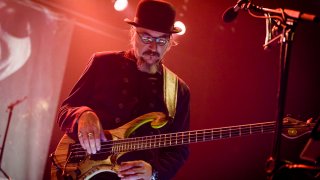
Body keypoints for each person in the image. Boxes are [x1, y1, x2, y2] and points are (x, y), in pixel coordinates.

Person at [57, 0, 190, 179]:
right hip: (82, 169)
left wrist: (154, 172)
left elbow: (179, 150)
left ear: (169, 42)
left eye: (161, 40)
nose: (153, 47)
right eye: (146, 37)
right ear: (133, 33)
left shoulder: (178, 90)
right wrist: (83, 114)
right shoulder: (102, 63)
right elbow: (66, 110)